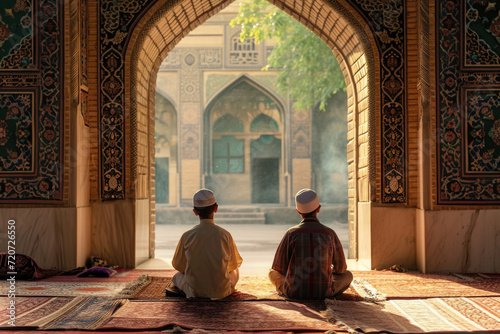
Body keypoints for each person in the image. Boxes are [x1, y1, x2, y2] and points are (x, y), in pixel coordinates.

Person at [268, 188, 353, 300]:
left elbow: (279, 268)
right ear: (318, 209)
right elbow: (341, 269)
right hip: (324, 292)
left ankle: (285, 289)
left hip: (294, 292)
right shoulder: (329, 233)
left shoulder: (291, 233)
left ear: (298, 211)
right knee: (348, 275)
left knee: (272, 272)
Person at [167, 188, 243, 299]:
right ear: (216, 208)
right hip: (220, 292)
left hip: (194, 292)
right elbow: (233, 265)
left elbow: (179, 265)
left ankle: (184, 290)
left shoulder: (187, 236)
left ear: (195, 212)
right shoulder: (225, 235)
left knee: (177, 276)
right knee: (235, 271)